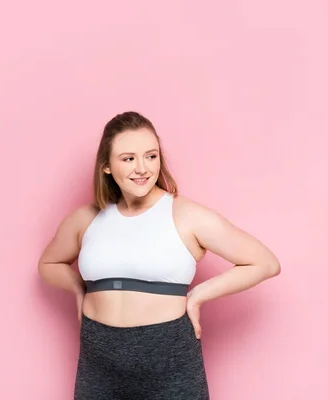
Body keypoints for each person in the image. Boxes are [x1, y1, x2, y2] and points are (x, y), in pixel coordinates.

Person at [37, 111, 281, 399]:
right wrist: (80, 290)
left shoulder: (186, 214)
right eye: (128, 158)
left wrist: (199, 295)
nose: (142, 168)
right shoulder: (86, 219)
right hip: (98, 366)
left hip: (170, 365)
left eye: (151, 156)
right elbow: (49, 263)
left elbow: (265, 262)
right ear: (106, 166)